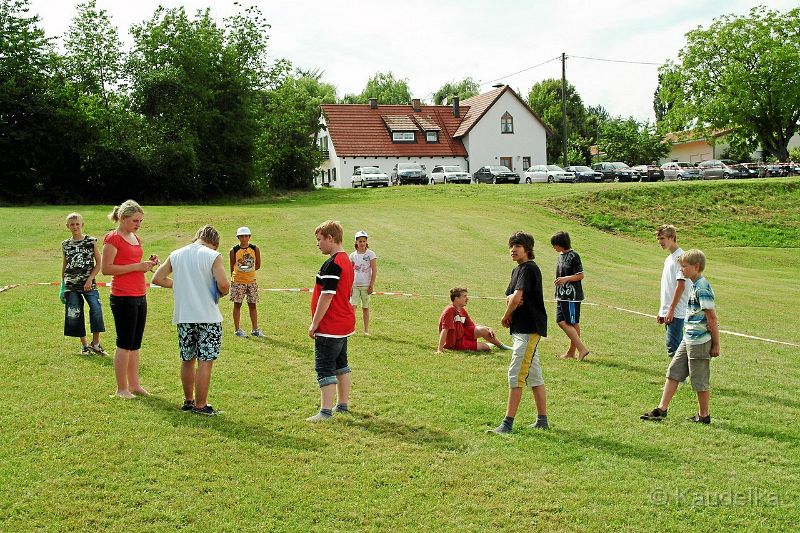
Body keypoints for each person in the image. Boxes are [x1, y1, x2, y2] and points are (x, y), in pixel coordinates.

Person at [152, 225, 230, 416]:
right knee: (205, 361)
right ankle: (201, 405)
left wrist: (180, 285)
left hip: (184, 316)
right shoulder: (213, 255)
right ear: (214, 243)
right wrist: (222, 292)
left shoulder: (177, 254)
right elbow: (224, 284)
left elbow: (157, 278)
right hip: (208, 317)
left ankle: (189, 400)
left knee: (187, 359)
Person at [641, 249, 720, 424]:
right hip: (688, 338)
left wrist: (715, 345)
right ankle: (661, 409)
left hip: (699, 341)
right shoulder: (693, 285)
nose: (682, 270)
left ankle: (704, 415)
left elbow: (712, 319)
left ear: (696, 267)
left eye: (685, 266)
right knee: (673, 372)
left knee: (699, 379)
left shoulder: (702, 288)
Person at [489, 231, 549, 434]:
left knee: (516, 375)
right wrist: (512, 301)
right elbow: (511, 296)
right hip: (522, 330)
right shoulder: (518, 270)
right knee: (534, 375)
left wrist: (506, 315)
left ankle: (507, 424)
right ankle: (542, 420)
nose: (513, 250)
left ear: (528, 249)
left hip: (528, 329)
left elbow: (515, 299)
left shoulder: (529, 269)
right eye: (511, 246)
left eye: (518, 246)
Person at [101, 200, 159, 399]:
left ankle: (135, 385)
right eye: (135, 220)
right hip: (122, 296)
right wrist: (137, 267)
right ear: (123, 218)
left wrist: (148, 264)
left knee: (135, 344)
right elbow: (106, 269)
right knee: (124, 343)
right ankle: (121, 388)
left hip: (139, 294)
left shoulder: (136, 237)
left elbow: (134, 263)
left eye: (140, 221)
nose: (138, 224)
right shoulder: (112, 239)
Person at [307, 220, 355, 422]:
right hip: (344, 324)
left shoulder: (332, 263)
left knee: (325, 366)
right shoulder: (346, 261)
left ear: (330, 238)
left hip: (330, 326)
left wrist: (314, 324)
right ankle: (342, 404)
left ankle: (325, 411)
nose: (317, 244)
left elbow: (326, 296)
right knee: (341, 364)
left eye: (319, 240)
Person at [62, 212, 107, 355]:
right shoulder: (65, 244)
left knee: (96, 310)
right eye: (72, 224)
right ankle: (85, 345)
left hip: (89, 284)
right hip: (71, 285)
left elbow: (99, 263)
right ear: (67, 226)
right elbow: (65, 266)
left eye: (77, 224)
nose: (75, 227)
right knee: (75, 314)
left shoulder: (91, 241)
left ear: (82, 225)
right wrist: (63, 287)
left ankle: (96, 343)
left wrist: (89, 279)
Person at [551, 231, 590, 360]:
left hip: (572, 296)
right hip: (561, 295)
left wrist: (565, 279)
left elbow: (580, 275)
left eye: (555, 245)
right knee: (560, 321)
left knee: (572, 323)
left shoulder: (574, 256)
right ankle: (577, 350)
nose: (553, 247)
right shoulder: (560, 256)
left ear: (561, 244)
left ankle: (575, 351)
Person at [436, 287, 511, 353]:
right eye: (464, 296)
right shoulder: (450, 310)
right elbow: (445, 329)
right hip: (455, 343)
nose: (467, 298)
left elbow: (471, 325)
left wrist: (487, 328)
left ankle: (502, 346)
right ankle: (488, 344)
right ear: (456, 298)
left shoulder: (462, 310)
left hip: (462, 335)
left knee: (484, 330)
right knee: (486, 347)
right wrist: (440, 349)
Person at [656, 224, 689, 358]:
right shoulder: (669, 258)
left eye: (662, 238)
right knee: (674, 346)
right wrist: (662, 310)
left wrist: (671, 309)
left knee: (674, 347)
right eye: (658, 239)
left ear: (672, 237)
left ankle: (679, 378)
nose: (660, 242)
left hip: (676, 311)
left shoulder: (681, 258)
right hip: (669, 310)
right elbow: (668, 287)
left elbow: (681, 286)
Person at [229, 226, 264, 338]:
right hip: (238, 281)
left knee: (252, 305)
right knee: (237, 305)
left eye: (246, 236)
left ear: (249, 237)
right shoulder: (233, 250)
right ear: (238, 237)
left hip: (251, 281)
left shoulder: (255, 249)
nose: (244, 238)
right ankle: (237, 329)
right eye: (241, 236)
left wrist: (247, 270)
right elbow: (232, 266)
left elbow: (257, 265)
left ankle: (255, 329)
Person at [349, 230, 378, 335]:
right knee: (352, 308)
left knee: (365, 307)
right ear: (356, 242)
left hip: (366, 286)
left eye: (364, 241)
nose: (362, 243)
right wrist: (350, 286)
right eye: (360, 241)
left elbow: (374, 270)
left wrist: (371, 285)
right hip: (355, 285)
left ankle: (366, 330)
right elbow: (349, 271)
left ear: (366, 242)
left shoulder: (371, 254)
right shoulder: (352, 255)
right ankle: (352, 329)